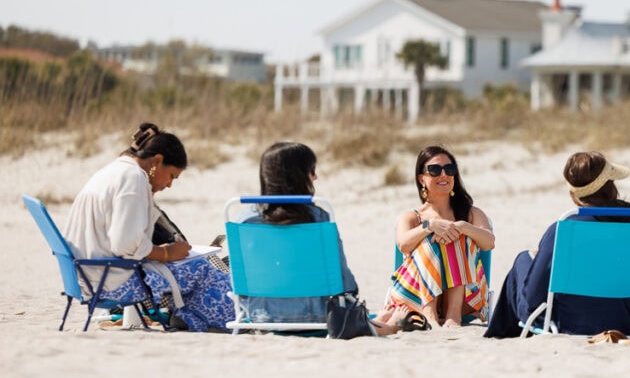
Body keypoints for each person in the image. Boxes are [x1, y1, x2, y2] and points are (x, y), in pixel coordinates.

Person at [62, 122, 234, 332]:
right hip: (113, 284)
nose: (170, 184)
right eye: (171, 176)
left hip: (89, 277)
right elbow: (125, 246)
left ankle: (189, 317)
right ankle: (225, 319)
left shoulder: (115, 171)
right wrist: (165, 253)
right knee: (202, 267)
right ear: (157, 161)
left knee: (192, 266)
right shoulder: (133, 180)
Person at [240, 142, 422, 335]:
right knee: (348, 311)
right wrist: (351, 293)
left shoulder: (244, 220)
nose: (315, 176)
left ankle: (379, 320)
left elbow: (240, 284)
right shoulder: (318, 219)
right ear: (299, 175)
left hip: (262, 317)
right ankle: (392, 325)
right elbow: (341, 279)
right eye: (311, 170)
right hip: (314, 317)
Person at [484, 151, 630, 338]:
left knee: (523, 259)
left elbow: (534, 297)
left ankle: (501, 334)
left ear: (574, 192)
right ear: (610, 185)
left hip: (569, 322)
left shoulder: (566, 228)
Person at [384, 145, 495, 328]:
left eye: (449, 169)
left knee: (456, 234)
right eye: (435, 170)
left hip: (467, 298)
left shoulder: (470, 214)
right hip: (415, 297)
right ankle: (429, 314)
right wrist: (430, 227)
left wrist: (462, 227)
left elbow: (489, 243)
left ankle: (453, 315)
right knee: (430, 238)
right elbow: (403, 244)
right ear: (422, 179)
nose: (443, 174)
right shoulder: (412, 217)